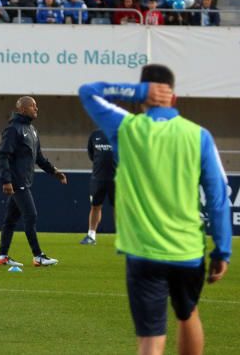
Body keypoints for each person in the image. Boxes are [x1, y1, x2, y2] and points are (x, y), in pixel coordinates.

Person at [78, 65, 231, 355]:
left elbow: (88, 92)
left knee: (150, 339)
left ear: (142, 98)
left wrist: (137, 90)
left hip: (143, 252)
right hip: (186, 251)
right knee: (188, 315)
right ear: (174, 98)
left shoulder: (126, 128)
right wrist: (222, 250)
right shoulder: (198, 135)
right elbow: (218, 197)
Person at [0, 96, 67, 267]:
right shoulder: (13, 129)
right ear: (22, 109)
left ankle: (2, 256)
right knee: (31, 215)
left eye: (36, 106)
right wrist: (6, 180)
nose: (36, 109)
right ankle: (38, 256)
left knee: (10, 220)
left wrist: (54, 171)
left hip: (25, 181)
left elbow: (39, 158)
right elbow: (2, 155)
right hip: (17, 181)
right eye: (33, 106)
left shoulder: (32, 130)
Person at [80, 128, 115, 245]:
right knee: (95, 206)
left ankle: (122, 238)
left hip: (117, 179)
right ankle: (91, 236)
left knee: (119, 209)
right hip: (98, 179)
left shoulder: (120, 134)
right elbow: (92, 155)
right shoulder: (95, 135)